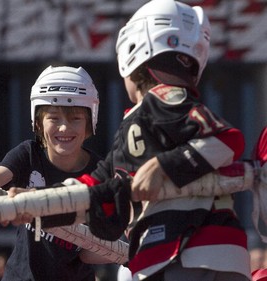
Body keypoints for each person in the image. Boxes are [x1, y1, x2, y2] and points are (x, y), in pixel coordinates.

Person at [79, 0, 249, 280]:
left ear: (133, 53)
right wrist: (34, 204)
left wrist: (163, 166)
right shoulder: (138, 120)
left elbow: (227, 139)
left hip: (180, 251)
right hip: (216, 254)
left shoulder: (162, 99)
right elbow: (94, 184)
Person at [0, 65, 107, 280]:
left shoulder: (101, 173)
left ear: (89, 123)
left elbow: (92, 253)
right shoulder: (28, 154)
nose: (64, 128)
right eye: (54, 118)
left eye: (75, 118)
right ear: (38, 122)